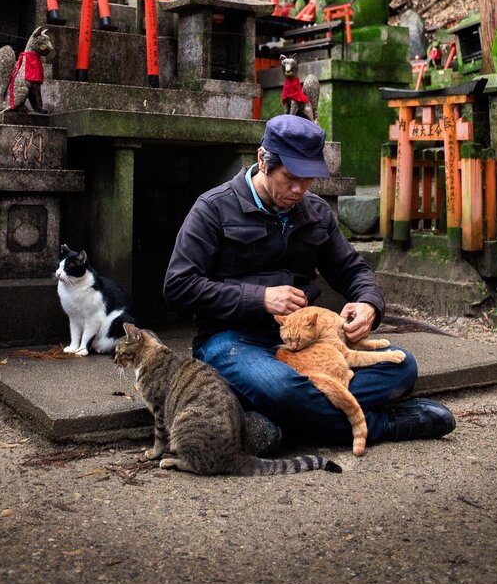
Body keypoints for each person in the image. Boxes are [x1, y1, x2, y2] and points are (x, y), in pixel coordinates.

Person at [163, 114, 455, 452]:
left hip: (307, 344)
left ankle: (283, 420)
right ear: (263, 160)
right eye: (290, 177)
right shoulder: (213, 208)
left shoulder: (315, 212)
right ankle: (385, 424)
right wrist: (259, 298)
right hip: (230, 341)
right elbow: (179, 285)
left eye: (308, 179)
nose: (299, 189)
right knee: (282, 387)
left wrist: (368, 304)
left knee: (402, 366)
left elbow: (353, 270)